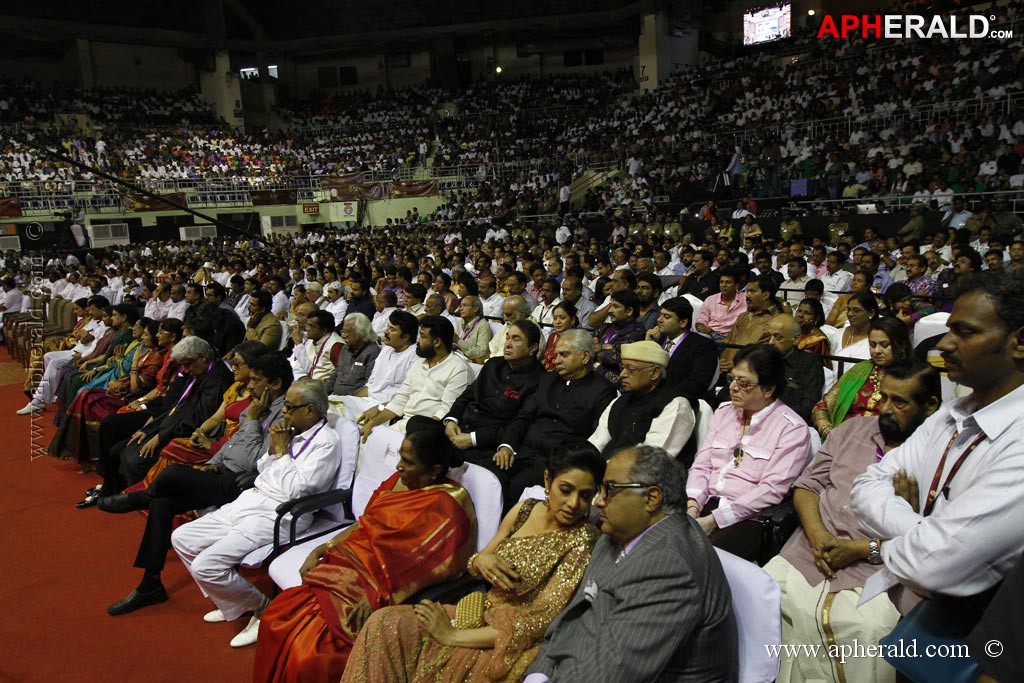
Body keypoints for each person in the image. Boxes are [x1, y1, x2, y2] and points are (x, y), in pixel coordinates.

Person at [344, 442, 604, 683]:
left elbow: (539, 623)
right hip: (476, 611)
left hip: (506, 641)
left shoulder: (583, 539)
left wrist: (451, 636)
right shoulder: (525, 510)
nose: (574, 504)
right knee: (384, 622)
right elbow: (473, 565)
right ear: (547, 480)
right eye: (566, 490)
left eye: (585, 496)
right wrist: (482, 559)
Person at [851, 272, 1024, 618]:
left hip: (973, 635)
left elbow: (933, 565)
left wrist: (902, 541)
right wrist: (923, 532)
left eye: (964, 332)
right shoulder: (950, 413)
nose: (943, 345)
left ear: (1019, 343)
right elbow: (864, 488)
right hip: (913, 611)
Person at [252, 424, 475, 681]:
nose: (399, 466)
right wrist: (322, 548)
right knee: (276, 619)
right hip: (343, 567)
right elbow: (364, 524)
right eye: (400, 458)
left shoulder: (448, 505)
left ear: (434, 470)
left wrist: (380, 595)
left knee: (310, 655)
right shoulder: (397, 481)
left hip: (376, 590)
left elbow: (431, 568)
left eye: (408, 462)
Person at [765, 362, 941, 683]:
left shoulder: (941, 457)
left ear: (930, 406)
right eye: (883, 397)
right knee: (763, 593)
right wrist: (817, 535)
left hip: (878, 568)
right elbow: (808, 486)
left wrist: (860, 549)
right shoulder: (852, 430)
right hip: (810, 550)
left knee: (867, 628)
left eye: (899, 402)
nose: (884, 409)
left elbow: (934, 540)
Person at [101, 352, 292, 615]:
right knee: (162, 503)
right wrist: (213, 461)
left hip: (245, 486)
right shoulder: (259, 404)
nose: (249, 385)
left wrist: (252, 421)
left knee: (173, 473)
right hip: (221, 474)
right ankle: (150, 584)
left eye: (256, 380)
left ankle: (139, 498)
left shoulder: (283, 416)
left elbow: (253, 461)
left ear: (275, 383)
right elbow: (232, 445)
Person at [524, 445, 736, 682]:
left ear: (651, 498)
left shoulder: (671, 567)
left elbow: (612, 673)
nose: (599, 501)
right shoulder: (617, 533)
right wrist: (538, 674)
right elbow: (574, 617)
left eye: (609, 489)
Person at [171, 377, 340, 648]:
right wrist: (272, 451)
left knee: (206, 565)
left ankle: (262, 607)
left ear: (310, 410)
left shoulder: (326, 442)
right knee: (182, 538)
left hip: (281, 513)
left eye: (290, 406)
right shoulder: (291, 431)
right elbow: (263, 469)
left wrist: (282, 452)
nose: (283, 411)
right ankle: (234, 602)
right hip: (252, 499)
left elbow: (296, 490)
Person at [686, 344, 811, 561]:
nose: (733, 387)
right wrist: (692, 505)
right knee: (655, 540)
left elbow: (771, 490)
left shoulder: (792, 429)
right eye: (732, 379)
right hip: (705, 502)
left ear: (768, 389)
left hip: (748, 517)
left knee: (697, 559)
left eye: (743, 383)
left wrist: (713, 520)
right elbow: (702, 464)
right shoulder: (724, 412)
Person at [86, 335, 234, 506]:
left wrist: (159, 437)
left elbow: (196, 419)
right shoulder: (197, 371)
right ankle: (111, 491)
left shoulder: (217, 380)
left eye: (187, 364)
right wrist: (150, 428)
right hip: (169, 423)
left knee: (133, 457)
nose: (185, 370)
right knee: (118, 448)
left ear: (202, 357)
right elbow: (174, 405)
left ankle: (132, 500)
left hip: (185, 432)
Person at [444, 319, 545, 503]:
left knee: (488, 472)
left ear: (532, 348)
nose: (508, 344)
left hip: (487, 441)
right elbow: (467, 395)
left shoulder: (539, 379)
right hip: (461, 428)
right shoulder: (493, 364)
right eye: (507, 337)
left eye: (516, 339)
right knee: (419, 428)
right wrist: (451, 419)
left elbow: (520, 421)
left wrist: (472, 439)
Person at [356, 316, 472, 439]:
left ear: (437, 342)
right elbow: (400, 401)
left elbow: (447, 411)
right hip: (402, 424)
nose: (417, 341)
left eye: (422, 336)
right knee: (363, 437)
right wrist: (371, 424)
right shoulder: (419, 364)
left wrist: (416, 438)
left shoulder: (458, 369)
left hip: (428, 433)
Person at [589, 340, 696, 458]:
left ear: (655, 373)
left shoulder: (675, 405)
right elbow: (597, 442)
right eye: (622, 367)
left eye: (631, 369)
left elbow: (652, 459)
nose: (622, 374)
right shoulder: (619, 402)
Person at [813, 316, 914, 439]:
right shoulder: (859, 371)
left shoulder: (913, 377)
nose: (877, 351)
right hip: (844, 439)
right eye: (872, 345)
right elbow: (822, 407)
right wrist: (829, 432)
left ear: (902, 345)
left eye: (884, 345)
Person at [335, 310, 418, 418]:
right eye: (387, 327)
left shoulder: (415, 357)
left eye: (392, 329)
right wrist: (350, 401)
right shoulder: (386, 349)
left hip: (386, 410)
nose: (385, 332)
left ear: (405, 337)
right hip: (367, 402)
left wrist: (379, 409)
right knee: (330, 406)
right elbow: (370, 386)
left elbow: (404, 399)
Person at [645, 296, 719, 401]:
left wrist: (661, 397)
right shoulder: (656, 340)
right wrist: (648, 346)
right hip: (649, 398)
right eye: (660, 315)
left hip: (680, 401)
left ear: (683, 322)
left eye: (666, 317)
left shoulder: (703, 346)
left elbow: (696, 384)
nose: (659, 320)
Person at [767, 314, 825, 424]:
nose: (771, 342)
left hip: (790, 422)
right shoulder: (763, 358)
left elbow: (809, 406)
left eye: (778, 337)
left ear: (796, 339)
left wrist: (775, 415)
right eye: (769, 336)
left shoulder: (809, 363)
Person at [719, 273, 779, 376]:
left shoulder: (776, 321)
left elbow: (767, 355)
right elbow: (728, 342)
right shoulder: (743, 316)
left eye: (752, 291)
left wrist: (737, 365)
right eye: (747, 291)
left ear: (766, 295)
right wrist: (720, 362)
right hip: (724, 372)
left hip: (751, 375)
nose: (747, 295)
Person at [593, 289, 646, 388]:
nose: (609, 310)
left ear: (629, 311)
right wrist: (606, 347)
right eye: (610, 306)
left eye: (615, 306)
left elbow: (617, 357)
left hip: (617, 387)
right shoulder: (604, 327)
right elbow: (585, 347)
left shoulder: (637, 331)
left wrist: (595, 361)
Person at [330, 312, 379, 395]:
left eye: (346, 332)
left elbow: (369, 385)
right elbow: (335, 376)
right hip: (335, 397)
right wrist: (320, 393)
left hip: (355, 399)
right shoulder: (345, 348)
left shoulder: (373, 352)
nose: (343, 336)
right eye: (342, 331)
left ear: (361, 332)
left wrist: (348, 399)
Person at [292, 310, 343, 383]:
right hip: (309, 381)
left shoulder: (336, 346)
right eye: (307, 325)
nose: (307, 329)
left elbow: (342, 374)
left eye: (312, 326)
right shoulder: (314, 339)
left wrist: (299, 344)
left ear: (324, 330)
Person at [834, 291, 879, 361]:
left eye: (856, 310)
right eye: (849, 309)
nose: (850, 314)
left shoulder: (879, 339)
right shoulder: (838, 334)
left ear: (871, 313)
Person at [454, 295, 492, 364]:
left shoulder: (483, 325)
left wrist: (458, 341)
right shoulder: (461, 322)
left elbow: (481, 353)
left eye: (464, 305)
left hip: (469, 362)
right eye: (460, 306)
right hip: (455, 357)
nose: (460, 309)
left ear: (475, 309)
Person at [541, 300, 577, 371]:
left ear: (572, 320)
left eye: (562, 318)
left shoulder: (575, 339)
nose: (558, 322)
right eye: (555, 318)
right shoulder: (552, 336)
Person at [794, 298, 831, 364]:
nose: (800, 315)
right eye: (799, 311)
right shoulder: (795, 331)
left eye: (807, 313)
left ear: (817, 318)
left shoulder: (818, 340)